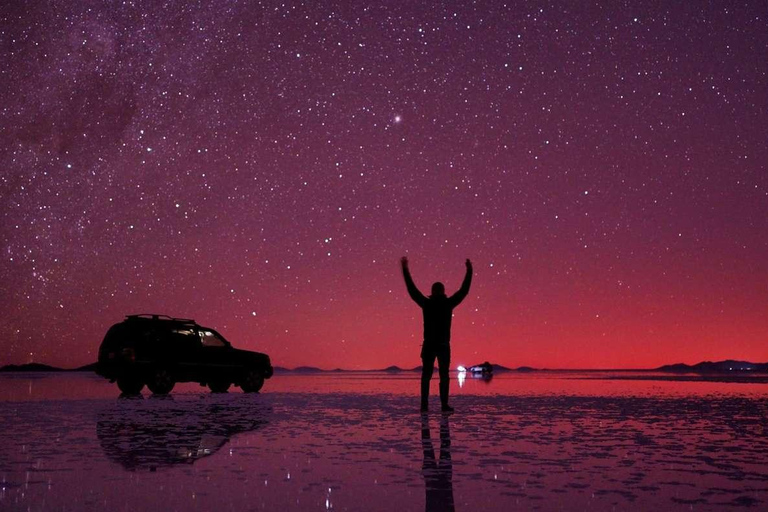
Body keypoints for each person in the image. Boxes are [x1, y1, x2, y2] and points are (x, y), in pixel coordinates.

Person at [401, 256, 473, 412]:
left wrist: (405, 270)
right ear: (442, 292)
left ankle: (429, 405)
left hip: (435, 345)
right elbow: (464, 291)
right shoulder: (445, 304)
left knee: (431, 376)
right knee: (439, 376)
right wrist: (469, 270)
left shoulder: (430, 304)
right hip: (438, 345)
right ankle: (437, 405)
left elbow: (412, 290)